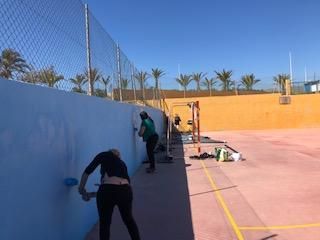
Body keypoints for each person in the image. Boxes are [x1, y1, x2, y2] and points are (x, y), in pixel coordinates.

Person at [78, 149, 141, 240]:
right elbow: (116, 188)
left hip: (106, 191)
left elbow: (88, 171)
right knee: (129, 220)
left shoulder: (104, 155)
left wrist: (81, 189)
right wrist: (90, 195)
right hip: (125, 191)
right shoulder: (122, 164)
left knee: (105, 224)